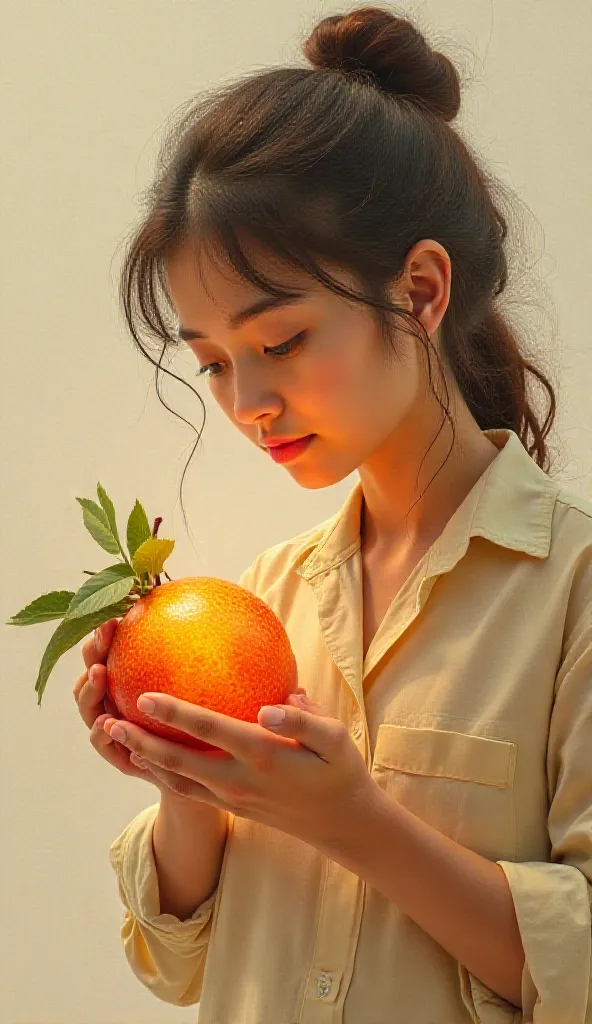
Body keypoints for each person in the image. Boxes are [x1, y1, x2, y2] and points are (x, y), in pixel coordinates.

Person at [73, 6, 592, 1022]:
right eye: (215, 362)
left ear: (422, 288)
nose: (248, 401)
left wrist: (353, 820)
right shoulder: (258, 601)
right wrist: (184, 782)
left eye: (283, 337)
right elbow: (177, 960)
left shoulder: (572, 587)